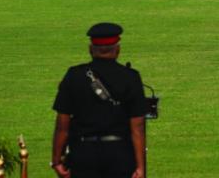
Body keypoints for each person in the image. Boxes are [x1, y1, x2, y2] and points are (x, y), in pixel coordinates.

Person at [51, 23, 147, 178]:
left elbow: (62, 125)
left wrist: (56, 161)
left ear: (91, 49)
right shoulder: (131, 77)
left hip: (83, 155)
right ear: (117, 50)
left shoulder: (74, 75)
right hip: (120, 155)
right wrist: (140, 167)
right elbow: (138, 127)